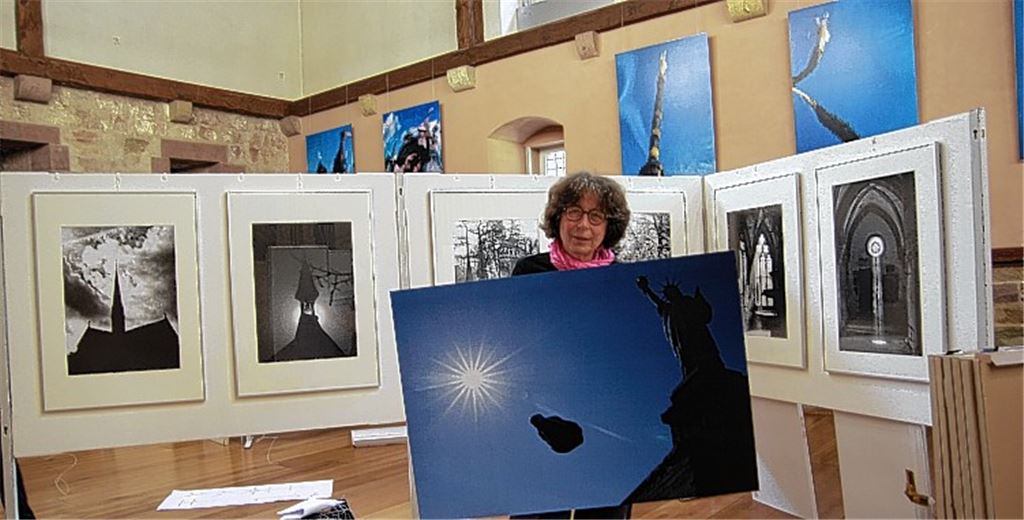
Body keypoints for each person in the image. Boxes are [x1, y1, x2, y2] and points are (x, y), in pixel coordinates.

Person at [510, 171, 632, 519]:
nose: (584, 225)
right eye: (574, 212)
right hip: (544, 410)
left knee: (605, 509)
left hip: (607, 416)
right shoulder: (529, 272)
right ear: (557, 218)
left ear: (609, 226)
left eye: (596, 216)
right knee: (540, 506)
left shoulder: (627, 279)